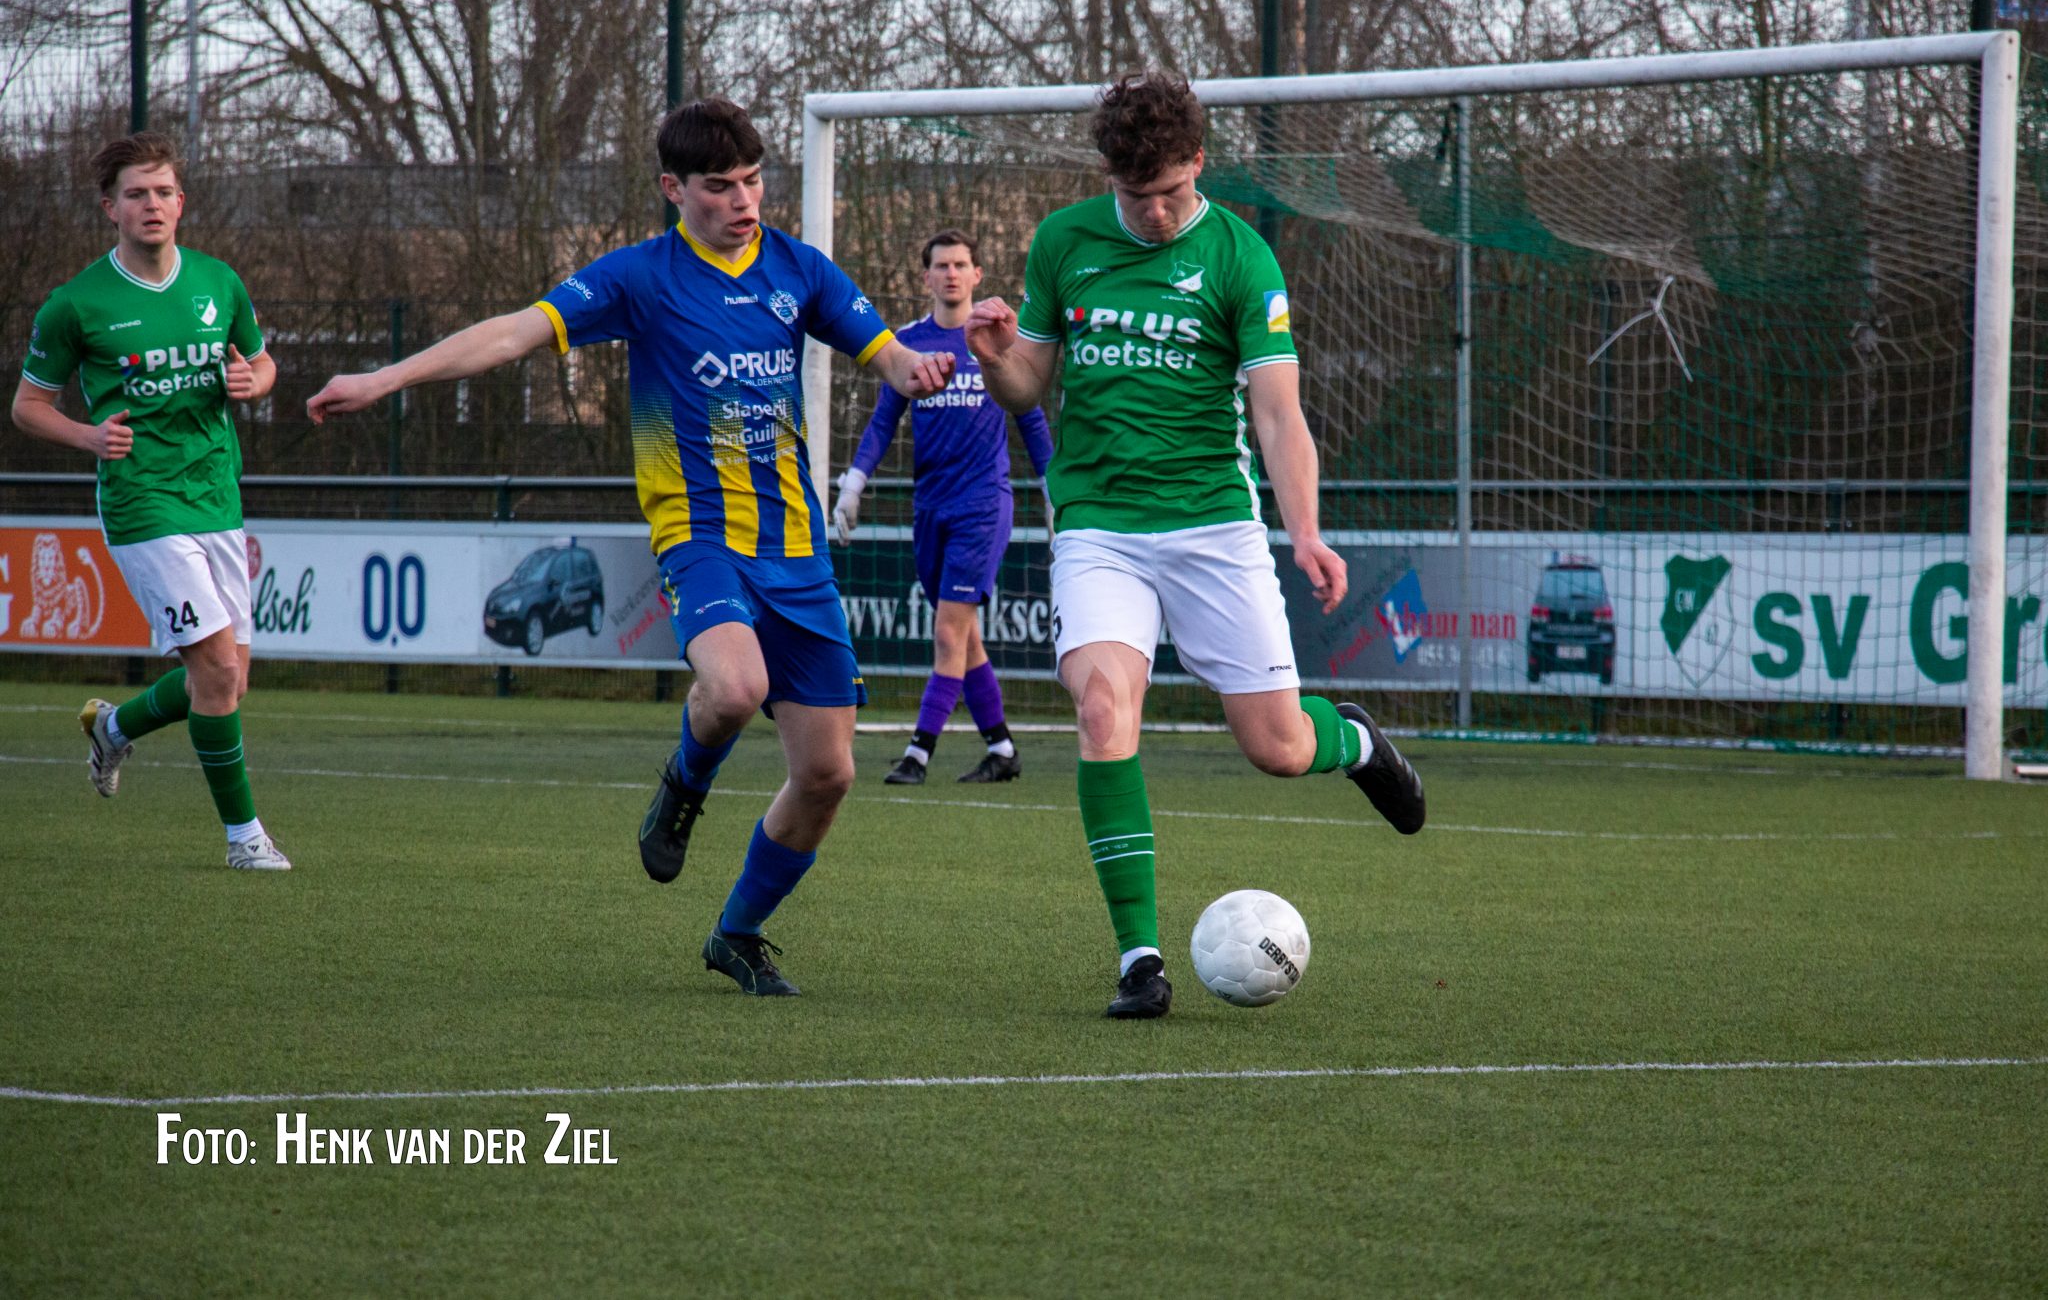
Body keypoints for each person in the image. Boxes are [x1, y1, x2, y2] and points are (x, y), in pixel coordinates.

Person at [306, 99, 953, 996]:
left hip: (797, 551)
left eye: (754, 180)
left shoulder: (799, 270)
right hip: (700, 538)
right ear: (673, 189)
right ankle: (684, 784)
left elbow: (883, 353)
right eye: (720, 186)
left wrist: (916, 371)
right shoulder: (640, 279)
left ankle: (737, 932)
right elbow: (511, 333)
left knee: (830, 773)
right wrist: (388, 375)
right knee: (733, 686)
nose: (743, 199)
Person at [961, 71, 1427, 1020]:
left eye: (1172, 188)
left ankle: (1355, 738)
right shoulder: (1064, 241)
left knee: (1281, 747)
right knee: (1101, 707)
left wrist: (1305, 531)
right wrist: (997, 353)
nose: (1158, 210)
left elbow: (1279, 412)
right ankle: (1140, 959)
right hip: (1099, 526)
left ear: (1200, 163)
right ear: (1110, 178)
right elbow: (1027, 390)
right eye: (1138, 195)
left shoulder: (1241, 257)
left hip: (1215, 527)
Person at [12, 132, 290, 871]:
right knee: (218, 672)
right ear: (111, 208)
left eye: (164, 191)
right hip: (143, 500)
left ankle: (115, 726)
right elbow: (27, 406)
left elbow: (262, 360)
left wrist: (254, 382)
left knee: (226, 678)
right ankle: (244, 839)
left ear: (182, 202)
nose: (153, 204)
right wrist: (87, 435)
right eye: (137, 193)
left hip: (216, 494)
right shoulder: (78, 303)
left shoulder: (217, 283)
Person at [831, 229, 1055, 786]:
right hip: (930, 507)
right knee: (966, 639)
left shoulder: (994, 341)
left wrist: (1056, 496)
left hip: (985, 505)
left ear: (978, 274)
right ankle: (1002, 750)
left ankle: (918, 755)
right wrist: (853, 484)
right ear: (925, 276)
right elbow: (884, 422)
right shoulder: (908, 343)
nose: (951, 273)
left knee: (949, 635)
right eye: (941, 265)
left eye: (961, 264)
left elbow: (1030, 419)